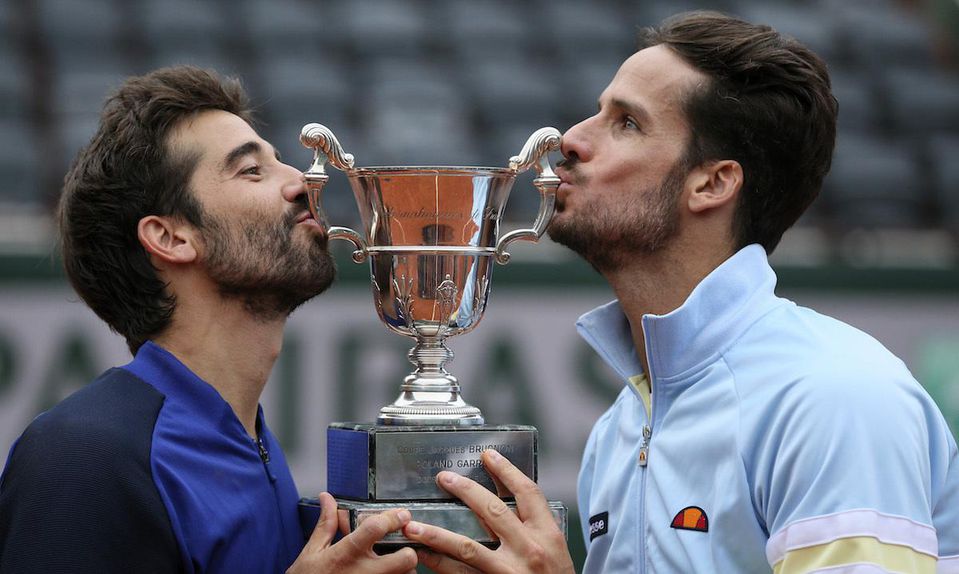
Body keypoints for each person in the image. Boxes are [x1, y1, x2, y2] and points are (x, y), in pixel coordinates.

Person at [400, 11, 959, 573]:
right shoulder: (619, 426)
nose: (570, 139)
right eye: (600, 112)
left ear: (712, 183)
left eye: (626, 123)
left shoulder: (834, 398)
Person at [0, 66, 417, 574]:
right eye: (251, 171)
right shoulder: (81, 454)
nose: (304, 182)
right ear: (171, 237)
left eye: (280, 161)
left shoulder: (251, 445)